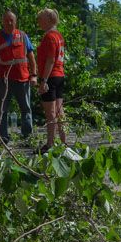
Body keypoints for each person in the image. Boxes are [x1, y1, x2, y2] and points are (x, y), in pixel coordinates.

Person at [0, 11, 38, 144]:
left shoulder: (22, 36)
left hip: (22, 78)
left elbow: (31, 56)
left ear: (15, 22)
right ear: (2, 22)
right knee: (2, 109)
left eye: (11, 20)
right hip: (4, 79)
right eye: (6, 20)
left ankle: (27, 136)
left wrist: (34, 75)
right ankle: (3, 137)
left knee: (26, 108)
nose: (9, 23)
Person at [35, 8, 67, 153]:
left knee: (50, 113)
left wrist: (43, 80)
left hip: (51, 77)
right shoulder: (58, 35)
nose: (38, 21)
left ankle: (50, 144)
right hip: (60, 75)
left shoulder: (49, 37)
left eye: (41, 18)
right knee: (60, 111)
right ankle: (64, 143)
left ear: (49, 19)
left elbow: (50, 59)